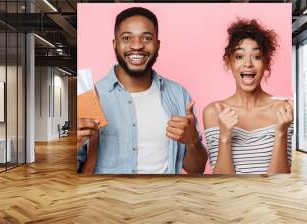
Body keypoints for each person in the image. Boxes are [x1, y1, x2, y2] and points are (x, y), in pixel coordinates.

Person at [77, 7, 207, 174]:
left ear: (157, 45)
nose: (137, 46)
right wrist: (74, 145)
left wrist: (193, 142)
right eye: (127, 38)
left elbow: (197, 169)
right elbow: (74, 173)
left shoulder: (178, 95)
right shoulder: (92, 96)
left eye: (146, 38)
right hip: (108, 198)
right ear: (115, 44)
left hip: (165, 198)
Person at [203, 19, 293, 174]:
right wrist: (224, 137)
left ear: (266, 63)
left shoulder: (284, 110)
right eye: (239, 56)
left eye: (257, 56)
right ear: (228, 62)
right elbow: (221, 183)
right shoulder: (214, 111)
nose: (248, 64)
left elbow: (280, 181)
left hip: (271, 198)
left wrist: (281, 133)